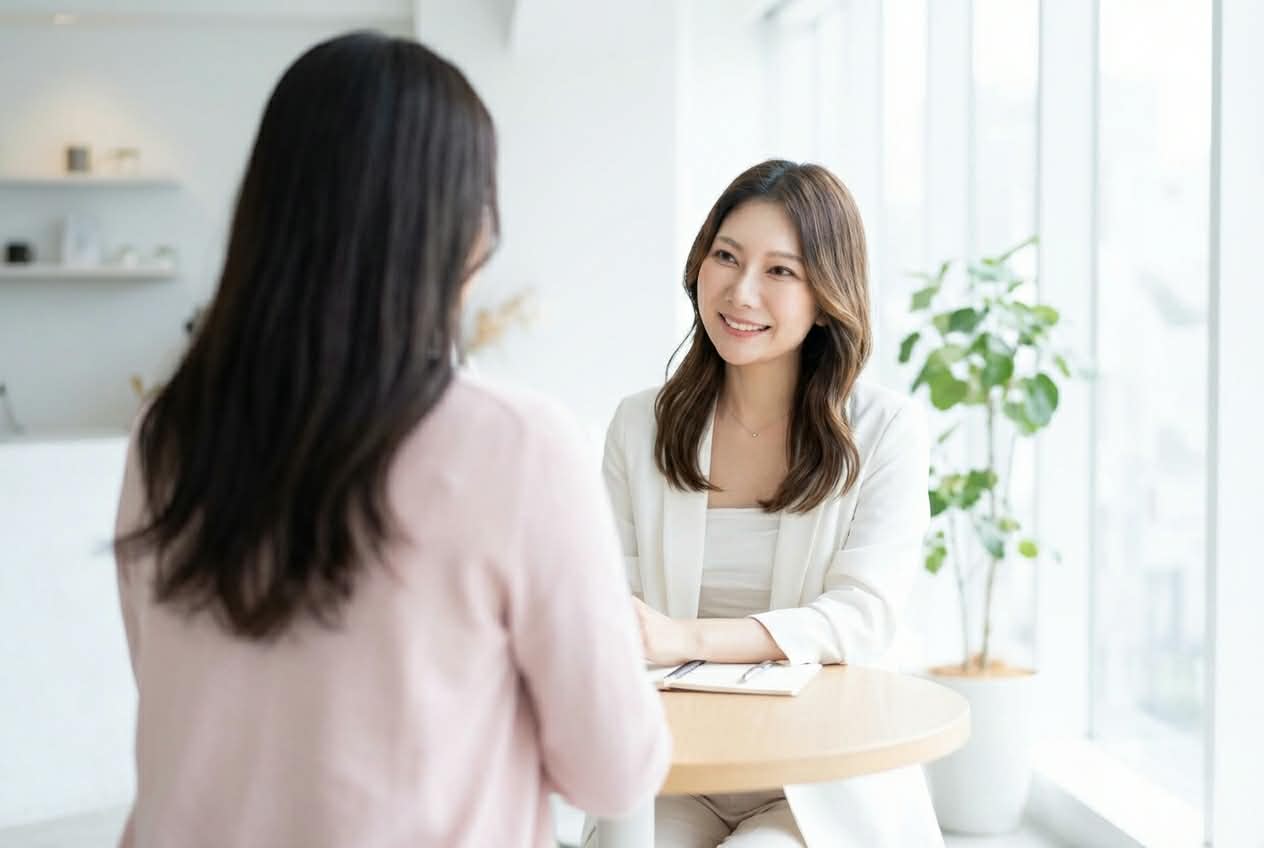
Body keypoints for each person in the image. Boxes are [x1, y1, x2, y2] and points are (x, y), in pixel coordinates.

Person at [113, 32, 668, 848]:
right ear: (466, 234)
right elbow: (613, 772)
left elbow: (176, 690)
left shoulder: (166, 435)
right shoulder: (518, 447)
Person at [592, 160, 941, 846]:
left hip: (820, 776)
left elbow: (861, 617)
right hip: (676, 765)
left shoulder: (884, 430)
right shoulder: (639, 426)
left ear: (826, 296)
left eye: (781, 271)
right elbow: (610, 603)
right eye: (726, 256)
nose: (741, 290)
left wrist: (686, 639)